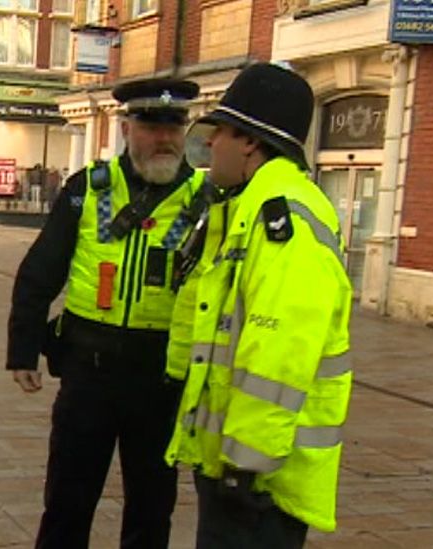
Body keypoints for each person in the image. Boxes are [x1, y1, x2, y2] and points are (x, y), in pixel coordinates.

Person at [7, 77, 207, 549]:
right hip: (88, 373)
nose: (164, 138)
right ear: (125, 129)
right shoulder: (88, 189)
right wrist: (23, 349)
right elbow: (40, 272)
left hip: (161, 377)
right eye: (150, 126)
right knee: (68, 500)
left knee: (152, 505)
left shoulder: (208, 200)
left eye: (174, 126)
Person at [163, 62, 354, 549]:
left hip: (258, 480)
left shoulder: (283, 220)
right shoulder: (245, 209)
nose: (210, 145)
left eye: (220, 132)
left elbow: (278, 354)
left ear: (249, 141)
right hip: (236, 463)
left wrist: (243, 468)